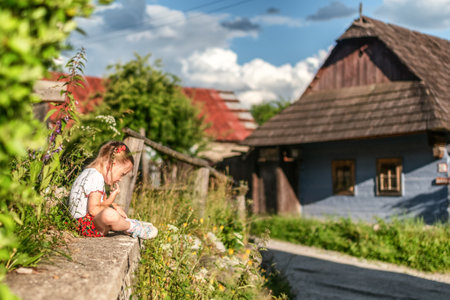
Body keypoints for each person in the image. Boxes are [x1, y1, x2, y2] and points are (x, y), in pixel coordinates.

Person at [68, 140, 157, 239]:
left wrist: (114, 206)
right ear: (112, 164)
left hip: (79, 224)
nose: (120, 179)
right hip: (85, 226)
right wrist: (112, 200)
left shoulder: (89, 172)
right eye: (122, 174)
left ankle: (126, 223)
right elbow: (94, 210)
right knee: (109, 215)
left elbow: (97, 204)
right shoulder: (96, 177)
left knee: (111, 213)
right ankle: (131, 227)